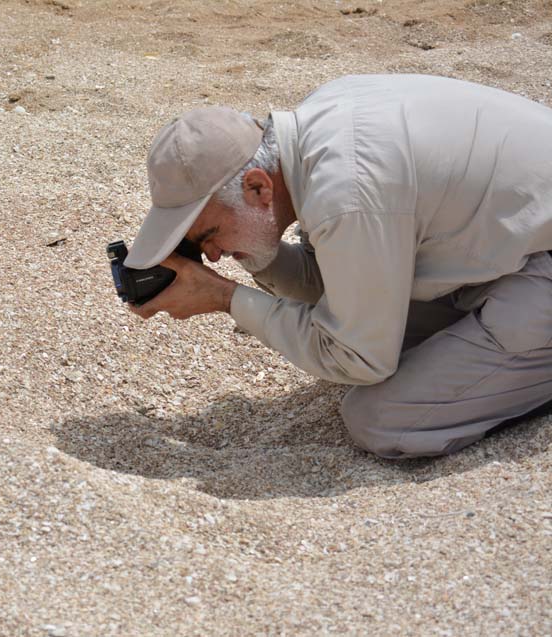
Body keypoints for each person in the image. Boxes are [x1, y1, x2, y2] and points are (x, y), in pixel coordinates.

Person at [125, 74, 552, 458]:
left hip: (537, 265)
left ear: (257, 187)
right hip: (517, 253)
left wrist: (224, 298)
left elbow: (360, 357)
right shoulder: (320, 129)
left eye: (209, 234)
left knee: (383, 419)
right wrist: (258, 260)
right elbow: (334, 280)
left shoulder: (345, 193)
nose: (213, 254)